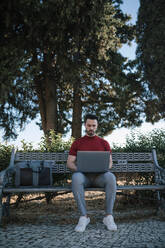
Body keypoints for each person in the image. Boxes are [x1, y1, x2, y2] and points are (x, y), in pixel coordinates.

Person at [67, 114, 117, 232]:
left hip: (100, 177)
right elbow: (69, 163)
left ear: (97, 126)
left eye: (93, 126)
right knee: (76, 177)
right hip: (84, 177)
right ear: (85, 125)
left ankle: (108, 217)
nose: (91, 128)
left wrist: (105, 167)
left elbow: (110, 163)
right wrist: (81, 169)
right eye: (89, 125)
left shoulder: (104, 143)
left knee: (111, 177)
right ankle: (84, 217)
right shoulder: (77, 143)